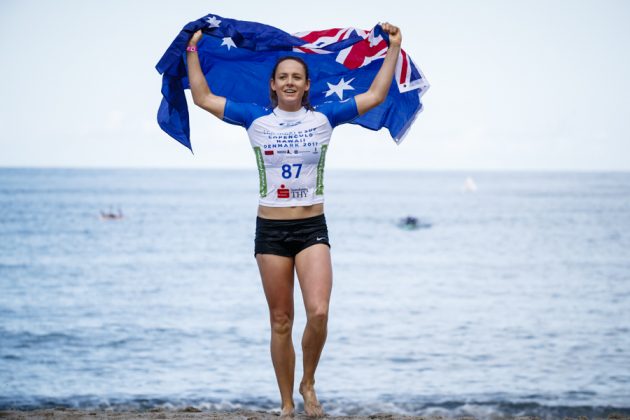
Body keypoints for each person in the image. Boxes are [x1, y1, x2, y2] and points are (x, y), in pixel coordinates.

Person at [186, 22, 402, 417]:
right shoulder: (253, 119)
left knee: (318, 312)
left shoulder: (324, 118)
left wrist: (393, 48)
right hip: (270, 230)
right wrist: (192, 51)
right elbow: (201, 97)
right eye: (283, 77)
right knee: (281, 319)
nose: (289, 82)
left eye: (296, 78)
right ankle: (287, 404)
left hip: (311, 229)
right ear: (273, 85)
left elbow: (375, 94)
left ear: (306, 86)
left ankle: (308, 382)